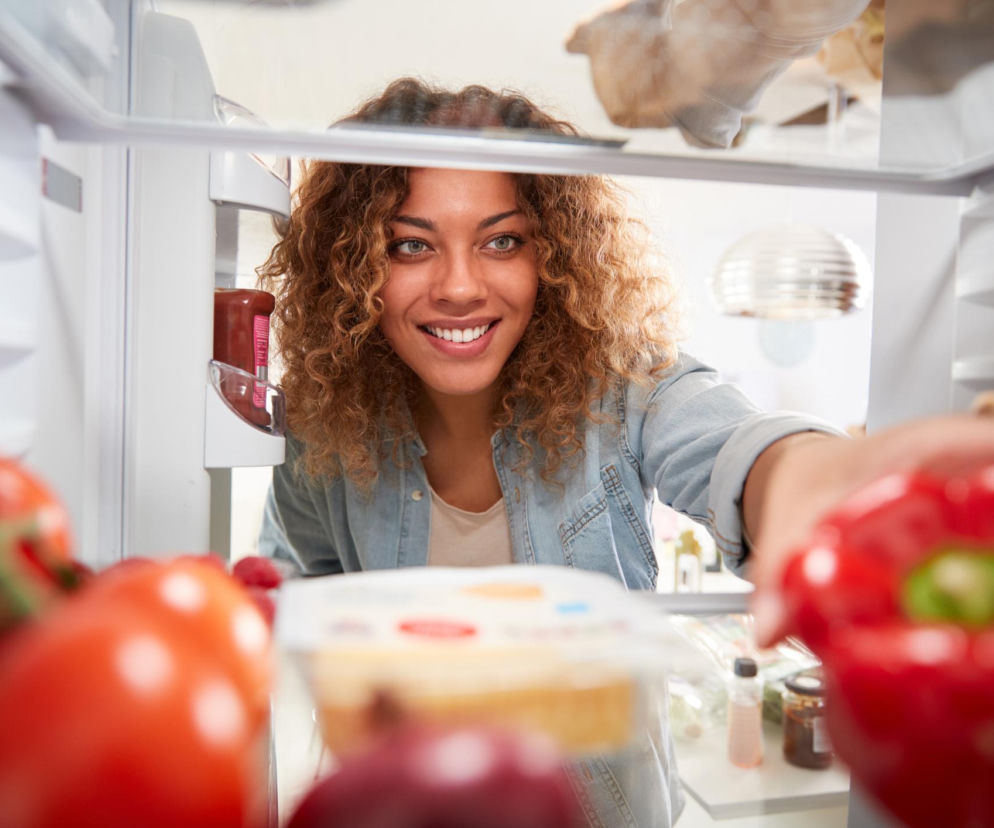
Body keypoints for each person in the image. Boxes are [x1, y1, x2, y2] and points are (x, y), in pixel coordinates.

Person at [258, 77, 994, 825]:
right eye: (410, 245)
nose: (458, 286)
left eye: (501, 240)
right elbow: (308, 586)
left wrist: (811, 474)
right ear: (352, 271)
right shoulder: (324, 427)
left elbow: (732, 445)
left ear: (552, 255)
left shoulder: (622, 390)